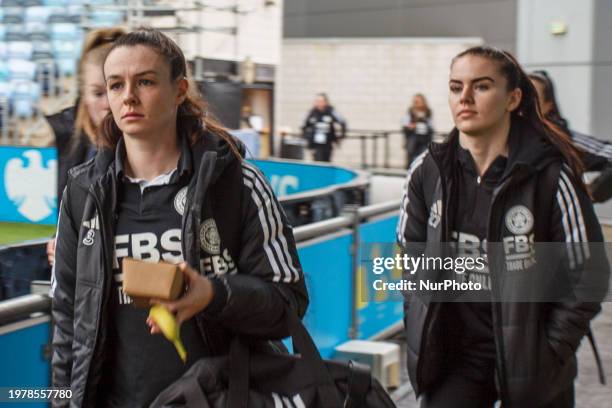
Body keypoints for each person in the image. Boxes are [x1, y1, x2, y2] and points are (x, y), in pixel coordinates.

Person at [50, 28, 308, 407]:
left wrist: (214, 295)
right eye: (116, 86)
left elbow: (287, 304)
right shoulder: (82, 194)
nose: (129, 98)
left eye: (146, 82)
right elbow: (68, 327)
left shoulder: (236, 182)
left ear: (180, 89)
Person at [396, 46, 609, 407]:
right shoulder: (428, 170)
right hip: (455, 361)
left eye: (480, 86)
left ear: (513, 99)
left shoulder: (549, 176)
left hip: (532, 363)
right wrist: (420, 319)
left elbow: (587, 275)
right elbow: (408, 253)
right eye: (455, 87)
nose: (464, 98)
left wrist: (550, 350)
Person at [45, 27, 125, 266]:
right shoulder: (72, 146)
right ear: (84, 95)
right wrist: (60, 240)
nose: (108, 103)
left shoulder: (156, 152)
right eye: (98, 92)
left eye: (117, 87)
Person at [529, 70, 612, 202]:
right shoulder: (504, 138)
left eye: (533, 98)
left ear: (548, 106)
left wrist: (592, 192)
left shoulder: (562, 140)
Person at [301, 93, 347, 162]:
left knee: (326, 161)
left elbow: (343, 122)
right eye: (317, 101)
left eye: (321, 101)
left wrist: (341, 137)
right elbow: (304, 126)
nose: (319, 103)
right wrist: (306, 137)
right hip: (315, 144)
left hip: (327, 143)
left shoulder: (331, 111)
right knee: (318, 162)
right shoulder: (312, 112)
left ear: (325, 102)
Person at [401, 93, 434, 168]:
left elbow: (431, 126)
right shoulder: (410, 111)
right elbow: (405, 124)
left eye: (419, 101)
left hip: (424, 140)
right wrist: (412, 126)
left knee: (423, 158)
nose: (417, 104)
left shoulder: (428, 112)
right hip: (413, 140)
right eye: (415, 102)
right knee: (411, 160)